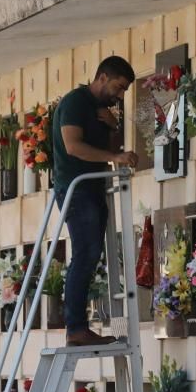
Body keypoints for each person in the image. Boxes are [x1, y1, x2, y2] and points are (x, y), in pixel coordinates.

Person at [52, 55, 140, 347]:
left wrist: (113, 128)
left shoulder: (101, 109)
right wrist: (115, 157)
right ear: (102, 77)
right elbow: (74, 146)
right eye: (118, 86)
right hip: (76, 190)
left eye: (124, 90)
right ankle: (76, 328)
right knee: (85, 255)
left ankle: (80, 327)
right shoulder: (76, 103)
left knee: (91, 255)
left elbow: (104, 149)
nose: (120, 94)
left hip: (92, 188)